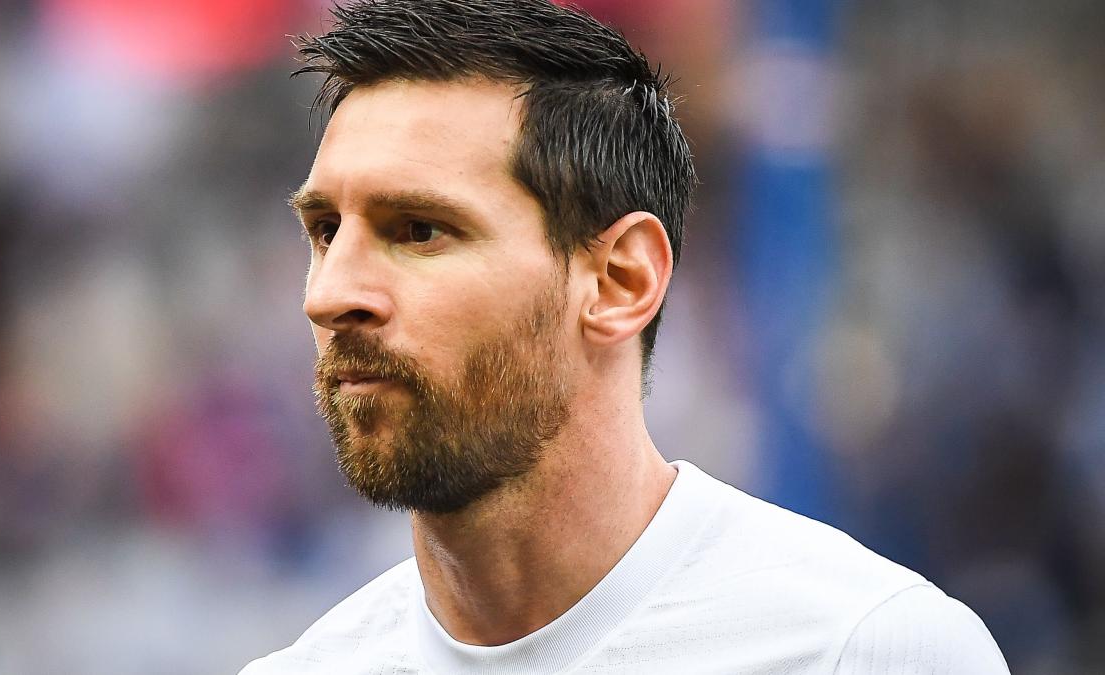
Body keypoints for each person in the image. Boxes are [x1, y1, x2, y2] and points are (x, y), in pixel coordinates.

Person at [241, 0, 1009, 672]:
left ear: (620, 281)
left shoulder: (864, 649)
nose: (329, 295)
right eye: (325, 230)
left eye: (418, 229)